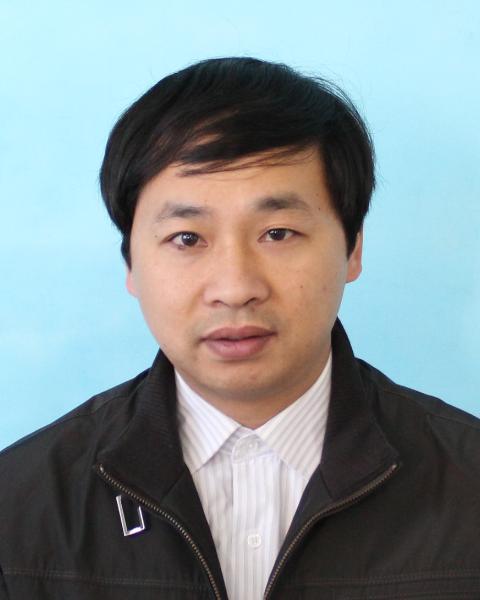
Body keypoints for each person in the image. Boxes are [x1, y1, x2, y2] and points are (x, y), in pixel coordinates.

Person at [0, 57, 479, 600]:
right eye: (187, 238)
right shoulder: (20, 507)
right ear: (130, 262)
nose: (235, 287)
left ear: (353, 249)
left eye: (277, 233)